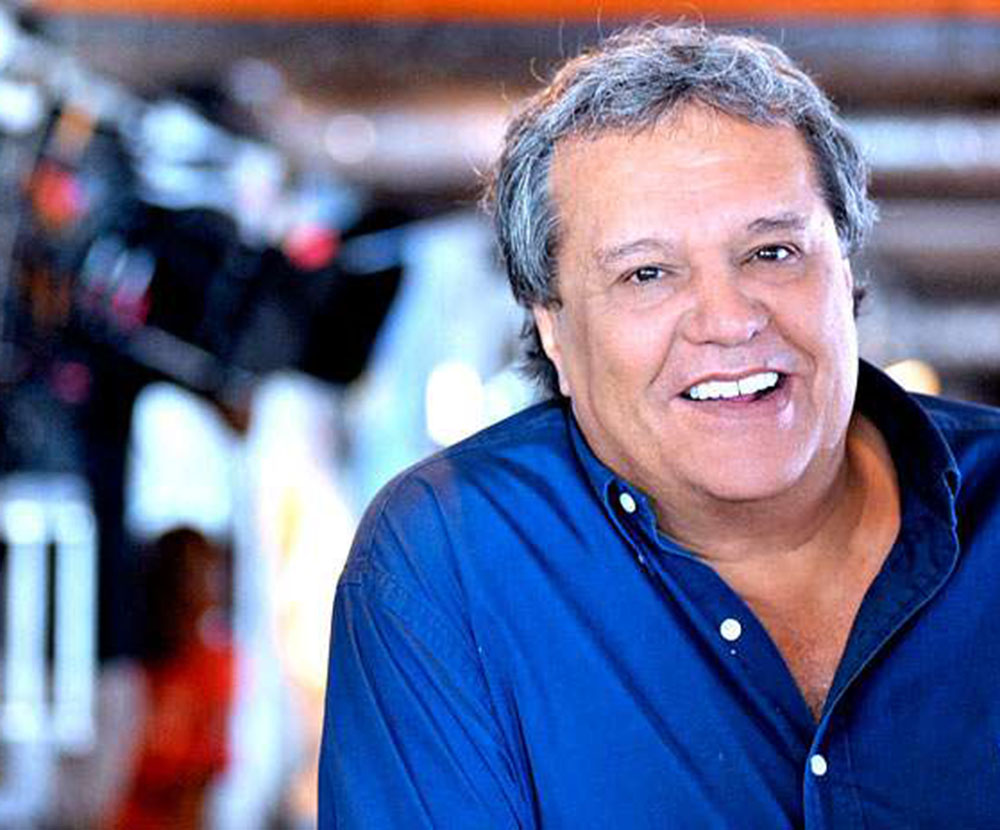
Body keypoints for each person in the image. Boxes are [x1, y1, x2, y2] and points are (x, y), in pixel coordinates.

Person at [319, 24, 1000, 828]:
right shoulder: (456, 557)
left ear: (845, 270)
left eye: (773, 253)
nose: (730, 320)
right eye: (647, 273)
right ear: (554, 332)